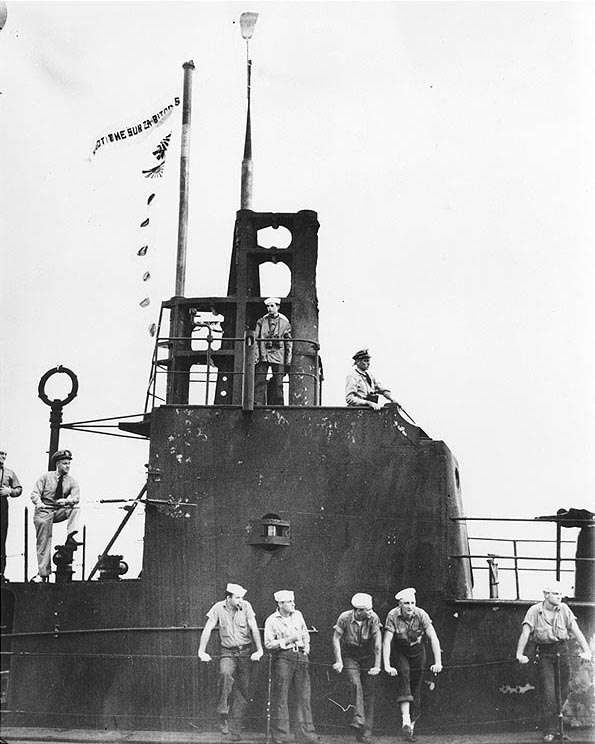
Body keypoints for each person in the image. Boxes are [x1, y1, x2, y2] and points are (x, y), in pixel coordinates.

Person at [515, 580, 592, 742]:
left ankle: (557, 729)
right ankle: (549, 731)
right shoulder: (534, 611)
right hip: (545, 654)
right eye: (556, 594)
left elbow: (576, 630)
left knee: (563, 691)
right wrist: (520, 654)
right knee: (549, 694)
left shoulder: (564, 609)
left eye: (560, 594)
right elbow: (525, 633)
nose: (560, 597)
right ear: (546, 594)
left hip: (563, 652)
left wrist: (587, 651)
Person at [198, 582, 264, 740]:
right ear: (228, 598)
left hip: (245, 652)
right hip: (227, 651)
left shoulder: (246, 606)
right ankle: (223, 713)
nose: (241, 600)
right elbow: (207, 629)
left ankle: (235, 728)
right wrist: (201, 651)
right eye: (238, 597)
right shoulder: (218, 608)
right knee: (225, 674)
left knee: (243, 689)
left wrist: (259, 649)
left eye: (242, 597)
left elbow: (253, 627)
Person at [382, 588, 442, 743]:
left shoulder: (421, 614)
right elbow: (387, 641)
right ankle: (406, 720)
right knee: (405, 676)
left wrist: (438, 662)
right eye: (406, 603)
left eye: (412, 603)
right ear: (400, 604)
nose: (410, 606)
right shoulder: (393, 615)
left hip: (417, 651)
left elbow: (433, 638)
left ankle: (411, 728)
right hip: (400, 650)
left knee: (416, 685)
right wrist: (387, 665)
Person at [264, 590, 319, 744]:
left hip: (300, 657)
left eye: (293, 601)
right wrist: (289, 640)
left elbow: (305, 634)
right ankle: (281, 736)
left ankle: (306, 735)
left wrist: (306, 650)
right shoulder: (271, 620)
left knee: (304, 696)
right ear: (280, 604)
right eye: (289, 602)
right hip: (283, 658)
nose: (293, 604)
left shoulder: (298, 615)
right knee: (281, 696)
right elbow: (268, 643)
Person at [332, 593, 382, 742]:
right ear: (358, 611)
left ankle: (365, 733)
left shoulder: (373, 618)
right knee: (356, 684)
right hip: (350, 655)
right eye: (368, 609)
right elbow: (336, 638)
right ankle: (359, 720)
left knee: (369, 692)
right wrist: (339, 661)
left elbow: (378, 643)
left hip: (367, 655)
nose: (371, 612)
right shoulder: (344, 618)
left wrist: (377, 665)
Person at [31, 449, 81, 583]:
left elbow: (76, 498)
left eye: (69, 464)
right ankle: (43, 574)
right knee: (44, 542)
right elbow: (35, 493)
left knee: (75, 508)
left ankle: (71, 536)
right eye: (65, 463)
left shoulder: (72, 481)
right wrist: (39, 503)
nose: (67, 466)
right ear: (58, 464)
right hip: (44, 511)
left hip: (58, 510)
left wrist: (66, 501)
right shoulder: (46, 477)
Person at [254, 297, 292, 406]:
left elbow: (289, 343)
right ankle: (258, 404)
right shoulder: (261, 322)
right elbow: (256, 340)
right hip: (263, 355)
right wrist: (256, 355)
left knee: (278, 383)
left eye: (272, 306)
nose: (270, 308)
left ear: (278, 307)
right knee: (259, 381)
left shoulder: (285, 323)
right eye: (268, 306)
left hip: (278, 356)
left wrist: (287, 361)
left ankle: (279, 406)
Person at [0, 448, 22, 583]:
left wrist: (10, 490)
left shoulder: (9, 472)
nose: (3, 456)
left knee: (1, 538)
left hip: (2, 504)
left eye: (5, 454)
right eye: (1, 453)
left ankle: (0, 572)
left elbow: (19, 489)